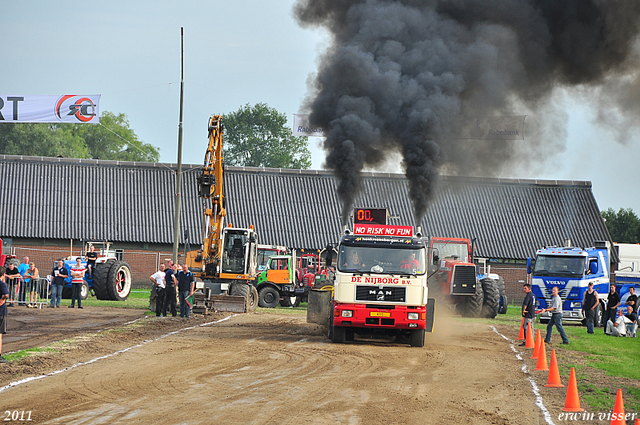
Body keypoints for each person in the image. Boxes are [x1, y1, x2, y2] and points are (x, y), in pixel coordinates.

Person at [0, 267, 9, 362]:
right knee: (0, 334)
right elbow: (6, 294)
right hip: (1, 312)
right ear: (3, 275)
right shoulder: (2, 284)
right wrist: (2, 299)